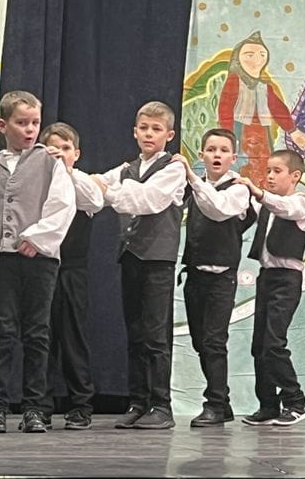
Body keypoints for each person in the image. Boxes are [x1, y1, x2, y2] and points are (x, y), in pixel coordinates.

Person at [0, 90, 76, 434]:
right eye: (22, 123)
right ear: (3, 125)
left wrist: (36, 238)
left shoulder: (50, 163)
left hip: (39, 261)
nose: (30, 129)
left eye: (35, 123)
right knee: (2, 332)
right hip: (4, 261)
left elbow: (62, 205)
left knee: (37, 332)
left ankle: (34, 408)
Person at [95, 100, 187, 430]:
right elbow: (95, 185)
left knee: (155, 335)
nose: (149, 134)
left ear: (169, 135)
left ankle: (162, 405)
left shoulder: (173, 168)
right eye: (144, 128)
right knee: (135, 333)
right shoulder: (126, 169)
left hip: (158, 259)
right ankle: (139, 401)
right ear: (135, 132)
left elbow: (147, 200)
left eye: (156, 129)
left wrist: (109, 190)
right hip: (131, 255)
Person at [175, 128, 254, 427]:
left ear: (234, 157)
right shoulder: (194, 188)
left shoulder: (238, 189)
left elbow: (219, 209)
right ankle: (224, 401)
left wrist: (192, 179)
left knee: (214, 341)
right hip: (195, 274)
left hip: (222, 277)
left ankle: (215, 404)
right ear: (201, 155)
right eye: (211, 150)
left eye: (223, 150)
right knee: (200, 341)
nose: (217, 155)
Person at [239, 148, 305, 427]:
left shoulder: (300, 204)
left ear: (295, 176)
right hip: (266, 277)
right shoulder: (266, 205)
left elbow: (284, 208)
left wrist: (258, 193)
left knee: (274, 343)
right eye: (268, 171)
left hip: (286, 280)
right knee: (259, 345)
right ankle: (268, 404)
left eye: (277, 171)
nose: (270, 176)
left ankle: (296, 401)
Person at [37, 121, 104, 430]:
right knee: (41, 338)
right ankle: (40, 405)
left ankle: (81, 404)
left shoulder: (82, 182)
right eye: (54, 149)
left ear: (76, 154)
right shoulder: (37, 183)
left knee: (73, 336)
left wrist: (66, 173)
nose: (61, 153)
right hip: (42, 267)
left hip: (73, 269)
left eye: (66, 149)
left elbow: (95, 202)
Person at [217, 31, 305, 185]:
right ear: (238, 59)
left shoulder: (264, 87)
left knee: (265, 164)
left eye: (262, 55)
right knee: (241, 164)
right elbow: (225, 109)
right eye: (250, 55)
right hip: (240, 130)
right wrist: (228, 136)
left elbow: (278, 109)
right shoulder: (234, 81)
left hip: (262, 135)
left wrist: (293, 130)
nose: (257, 60)